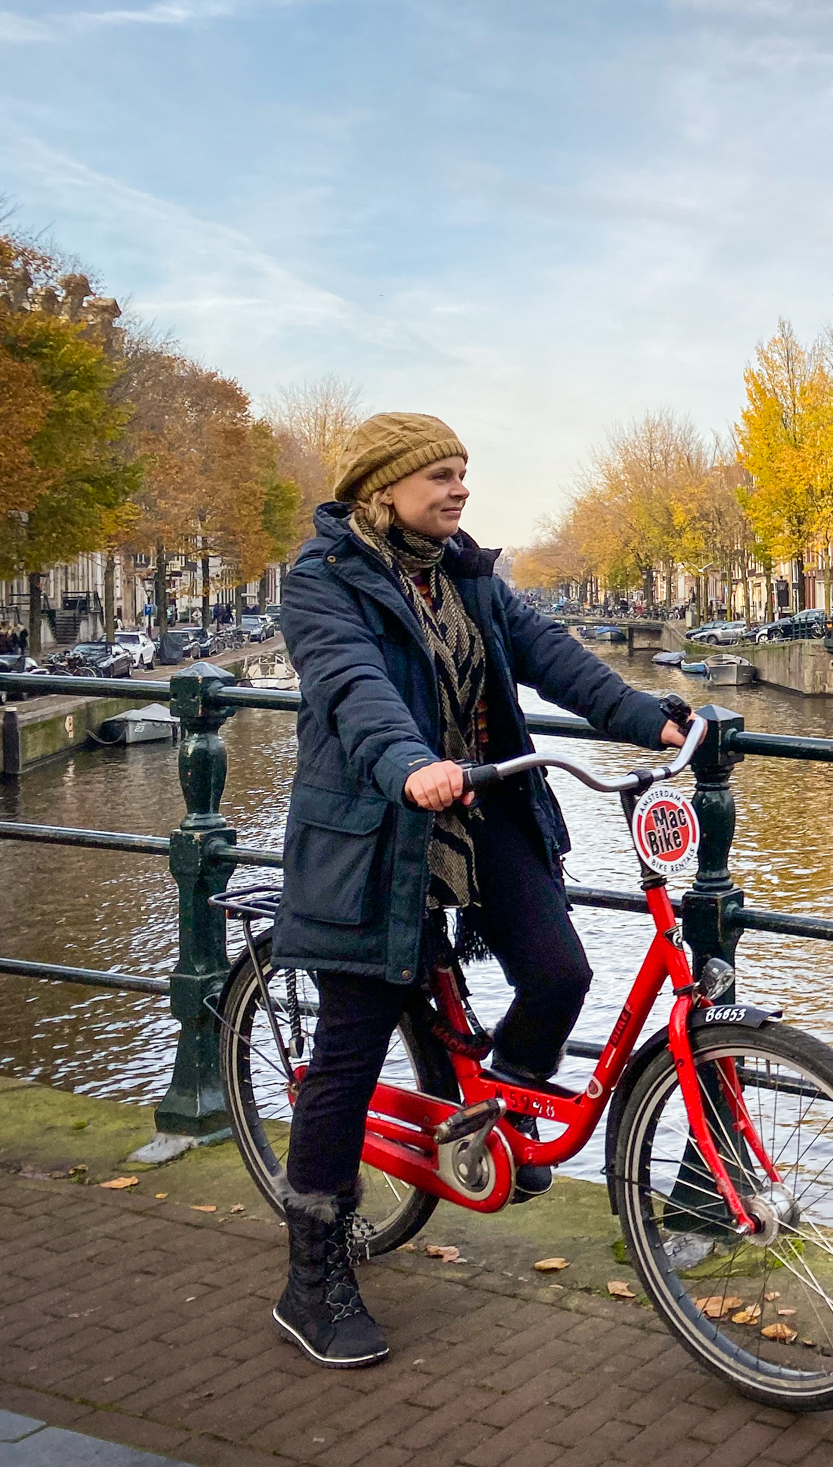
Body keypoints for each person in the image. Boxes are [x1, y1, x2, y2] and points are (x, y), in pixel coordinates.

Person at [268, 413, 685, 1371]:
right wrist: (409, 761)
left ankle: (487, 1116)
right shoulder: (323, 582)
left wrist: (648, 719)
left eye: (466, 473)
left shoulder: (467, 572)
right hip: (379, 824)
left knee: (559, 972)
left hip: (481, 804)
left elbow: (551, 654)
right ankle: (311, 1278)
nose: (461, 490)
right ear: (384, 487)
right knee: (349, 1049)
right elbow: (351, 686)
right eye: (442, 476)